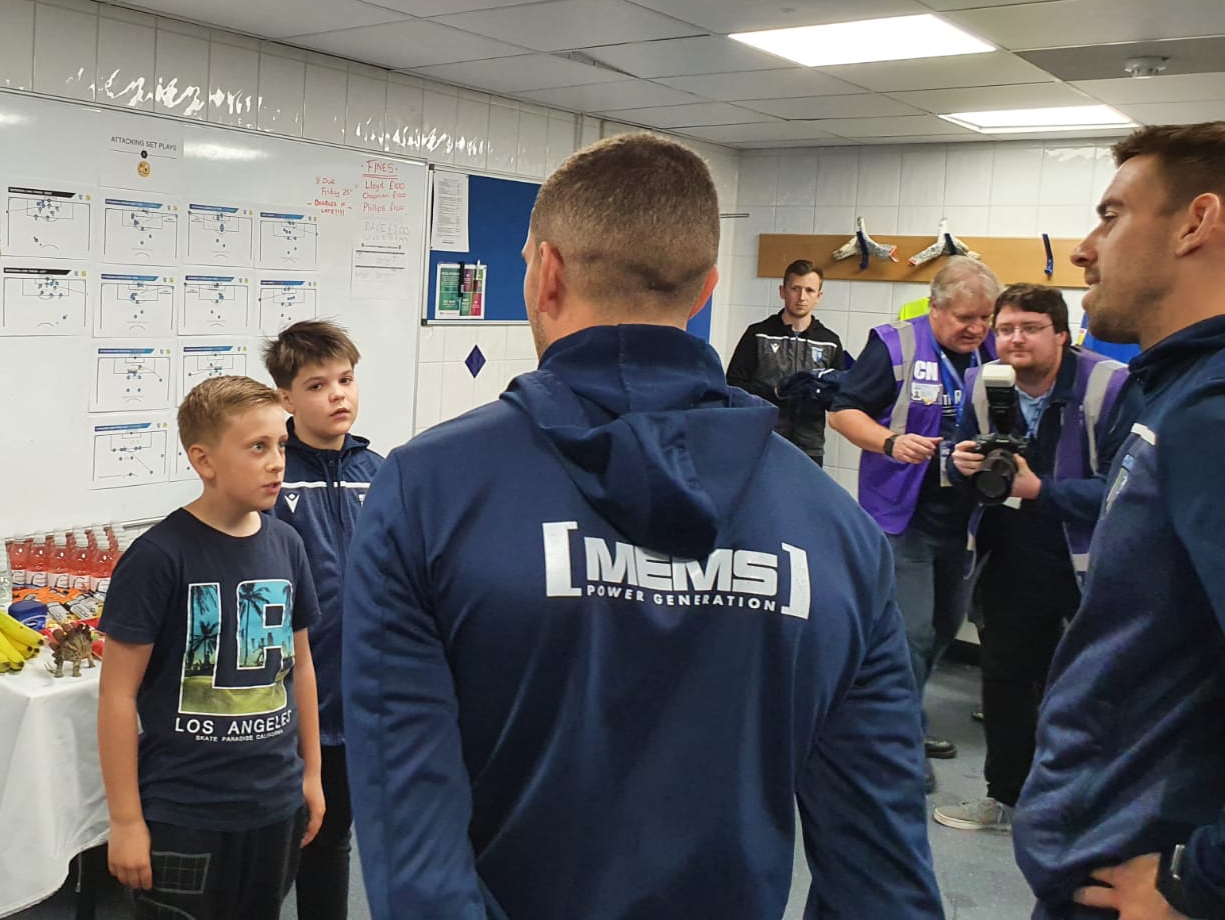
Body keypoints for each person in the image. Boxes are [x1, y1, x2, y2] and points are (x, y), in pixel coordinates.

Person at [343, 132, 940, 920]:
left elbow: (414, 844)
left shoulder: (425, 491)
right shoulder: (837, 530)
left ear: (547, 272)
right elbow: (884, 875)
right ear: (705, 290)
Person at [1014, 122, 1225, 919]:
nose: (1083, 247)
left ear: (1196, 222)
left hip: (1144, 875)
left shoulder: (1210, 410)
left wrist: (1197, 881)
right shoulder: (1169, 390)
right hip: (1103, 845)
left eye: (1111, 215)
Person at [98, 376, 323, 920]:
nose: (276, 462)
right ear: (204, 460)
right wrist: (127, 821)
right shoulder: (158, 557)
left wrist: (310, 774)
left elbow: (302, 668)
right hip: (185, 811)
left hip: (274, 802)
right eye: (257, 447)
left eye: (281, 447)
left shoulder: (287, 545)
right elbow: (117, 697)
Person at [933, 284, 1136, 835]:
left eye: (1029, 328)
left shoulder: (1109, 386)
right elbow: (955, 454)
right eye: (1005, 329)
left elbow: (1128, 488)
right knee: (1004, 678)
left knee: (1092, 686)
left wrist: (1041, 489)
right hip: (1011, 555)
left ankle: (1093, 811)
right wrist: (964, 462)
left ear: (1062, 335)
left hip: (1093, 559)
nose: (1014, 339)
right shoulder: (983, 380)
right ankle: (1006, 799)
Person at [827, 257, 1001, 791]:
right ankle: (897, 745)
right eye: (965, 317)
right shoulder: (896, 344)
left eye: (985, 318)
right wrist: (889, 441)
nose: (977, 328)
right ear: (935, 307)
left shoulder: (993, 356)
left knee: (946, 627)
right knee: (910, 634)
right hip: (902, 515)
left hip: (966, 519)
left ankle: (896, 720)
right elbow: (841, 410)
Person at [261, 321, 384, 920]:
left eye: (346, 379)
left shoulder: (380, 473)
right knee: (273, 845)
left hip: (355, 699)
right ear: (285, 398)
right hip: (284, 699)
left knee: (333, 837)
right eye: (317, 385)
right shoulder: (271, 476)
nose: (338, 395)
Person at [726, 258, 847, 464]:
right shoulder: (758, 334)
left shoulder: (830, 342)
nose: (801, 297)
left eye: (809, 290)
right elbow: (732, 385)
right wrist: (775, 392)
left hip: (809, 446)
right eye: (795, 288)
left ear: (819, 296)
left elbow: (841, 397)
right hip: (762, 440)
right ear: (783, 291)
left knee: (803, 496)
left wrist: (823, 393)